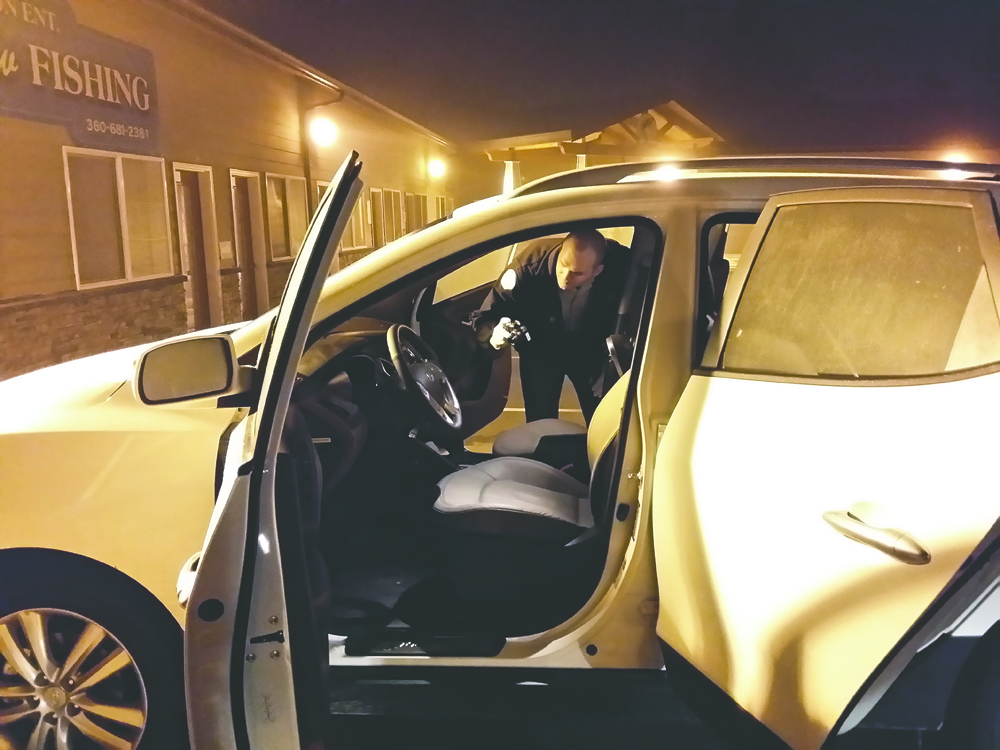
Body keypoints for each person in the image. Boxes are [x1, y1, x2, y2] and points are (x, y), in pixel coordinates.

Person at [470, 229, 628, 424]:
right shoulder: (527, 267)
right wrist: (497, 334)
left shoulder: (622, 268)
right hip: (540, 350)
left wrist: (616, 368)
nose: (565, 277)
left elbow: (644, 322)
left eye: (577, 273)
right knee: (539, 424)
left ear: (598, 270)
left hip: (593, 352)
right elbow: (485, 317)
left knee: (603, 423)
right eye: (563, 266)